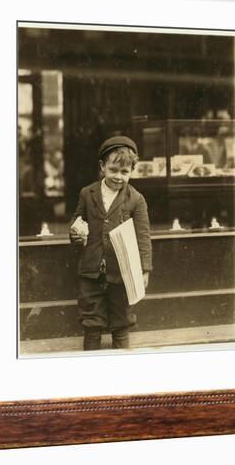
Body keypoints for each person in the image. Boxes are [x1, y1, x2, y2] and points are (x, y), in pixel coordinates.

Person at [69, 136, 152, 351]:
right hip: (91, 269)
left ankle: (121, 364)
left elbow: (143, 236)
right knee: (91, 321)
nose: (118, 177)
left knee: (122, 320)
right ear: (102, 167)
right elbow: (78, 220)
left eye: (125, 172)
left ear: (132, 171)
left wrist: (144, 270)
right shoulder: (87, 194)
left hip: (122, 271)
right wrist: (76, 232)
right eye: (114, 170)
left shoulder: (136, 199)